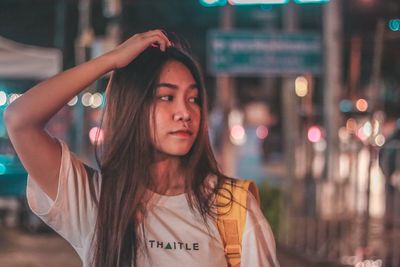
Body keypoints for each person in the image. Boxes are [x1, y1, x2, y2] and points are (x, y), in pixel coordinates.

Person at [4, 30, 280, 267]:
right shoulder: (96, 200)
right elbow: (20, 119)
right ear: (133, 106)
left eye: (194, 99)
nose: (184, 112)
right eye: (166, 97)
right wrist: (111, 61)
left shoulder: (231, 207)